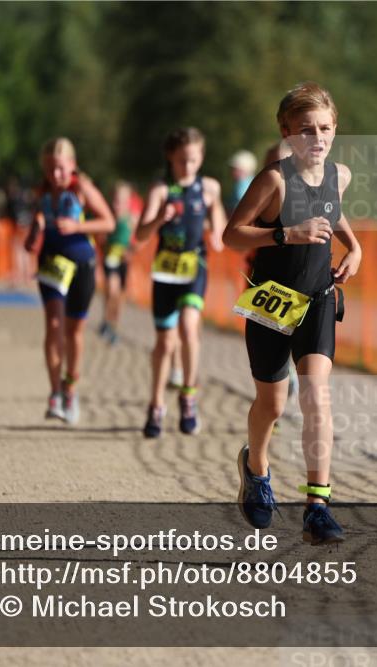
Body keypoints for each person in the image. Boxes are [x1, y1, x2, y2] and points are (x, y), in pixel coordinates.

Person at [223, 82, 363, 545]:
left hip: (319, 298)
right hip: (272, 300)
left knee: (316, 395)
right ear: (286, 131)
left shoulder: (339, 175)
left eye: (324, 128)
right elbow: (232, 235)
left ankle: (317, 507)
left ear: (335, 129)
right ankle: (256, 467)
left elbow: (333, 211)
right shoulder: (274, 180)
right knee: (272, 404)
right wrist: (285, 234)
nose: (316, 138)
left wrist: (354, 247)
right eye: (305, 129)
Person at [134, 127, 226, 438]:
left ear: (201, 158)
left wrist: (217, 232)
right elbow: (141, 234)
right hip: (165, 271)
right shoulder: (161, 190)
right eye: (182, 160)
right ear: (170, 158)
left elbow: (218, 215)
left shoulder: (209, 187)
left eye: (194, 160)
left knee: (189, 326)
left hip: (194, 265)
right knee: (164, 342)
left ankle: (189, 397)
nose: (188, 166)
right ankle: (156, 404)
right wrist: (160, 217)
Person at [24, 137, 115, 425]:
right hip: (51, 262)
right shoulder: (41, 193)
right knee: (53, 325)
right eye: (50, 168)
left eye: (61, 168)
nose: (55, 174)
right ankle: (54, 394)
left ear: (72, 166)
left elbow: (108, 221)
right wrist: (35, 230)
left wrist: (78, 226)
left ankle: (70, 388)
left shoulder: (81, 189)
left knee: (74, 331)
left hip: (81, 264)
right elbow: (32, 236)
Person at [98, 181, 140, 345]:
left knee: (118, 297)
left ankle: (112, 325)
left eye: (122, 201)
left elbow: (140, 240)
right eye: (116, 200)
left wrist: (130, 251)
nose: (118, 204)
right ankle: (106, 321)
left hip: (123, 262)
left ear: (128, 201)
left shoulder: (132, 219)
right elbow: (100, 237)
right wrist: (104, 246)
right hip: (110, 260)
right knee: (112, 289)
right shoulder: (108, 216)